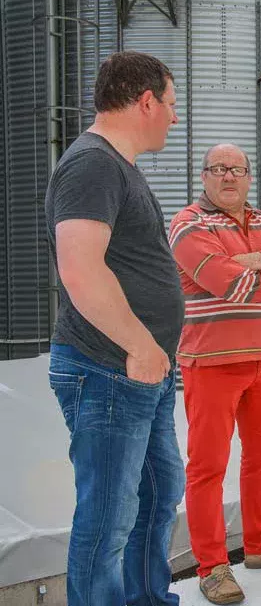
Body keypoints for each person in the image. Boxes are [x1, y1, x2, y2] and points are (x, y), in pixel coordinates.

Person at [44, 51, 185, 606]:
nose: (176, 118)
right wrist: (141, 345)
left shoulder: (116, 166)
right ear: (145, 101)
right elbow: (79, 268)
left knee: (153, 496)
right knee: (107, 519)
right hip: (108, 369)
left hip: (139, 372)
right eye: (171, 105)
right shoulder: (93, 165)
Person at [168, 143, 261, 604]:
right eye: (218, 169)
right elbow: (229, 285)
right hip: (211, 365)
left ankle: (260, 545)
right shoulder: (187, 223)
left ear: (249, 177)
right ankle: (212, 567)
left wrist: (260, 260)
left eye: (236, 169)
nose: (228, 177)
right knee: (207, 468)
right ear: (204, 176)